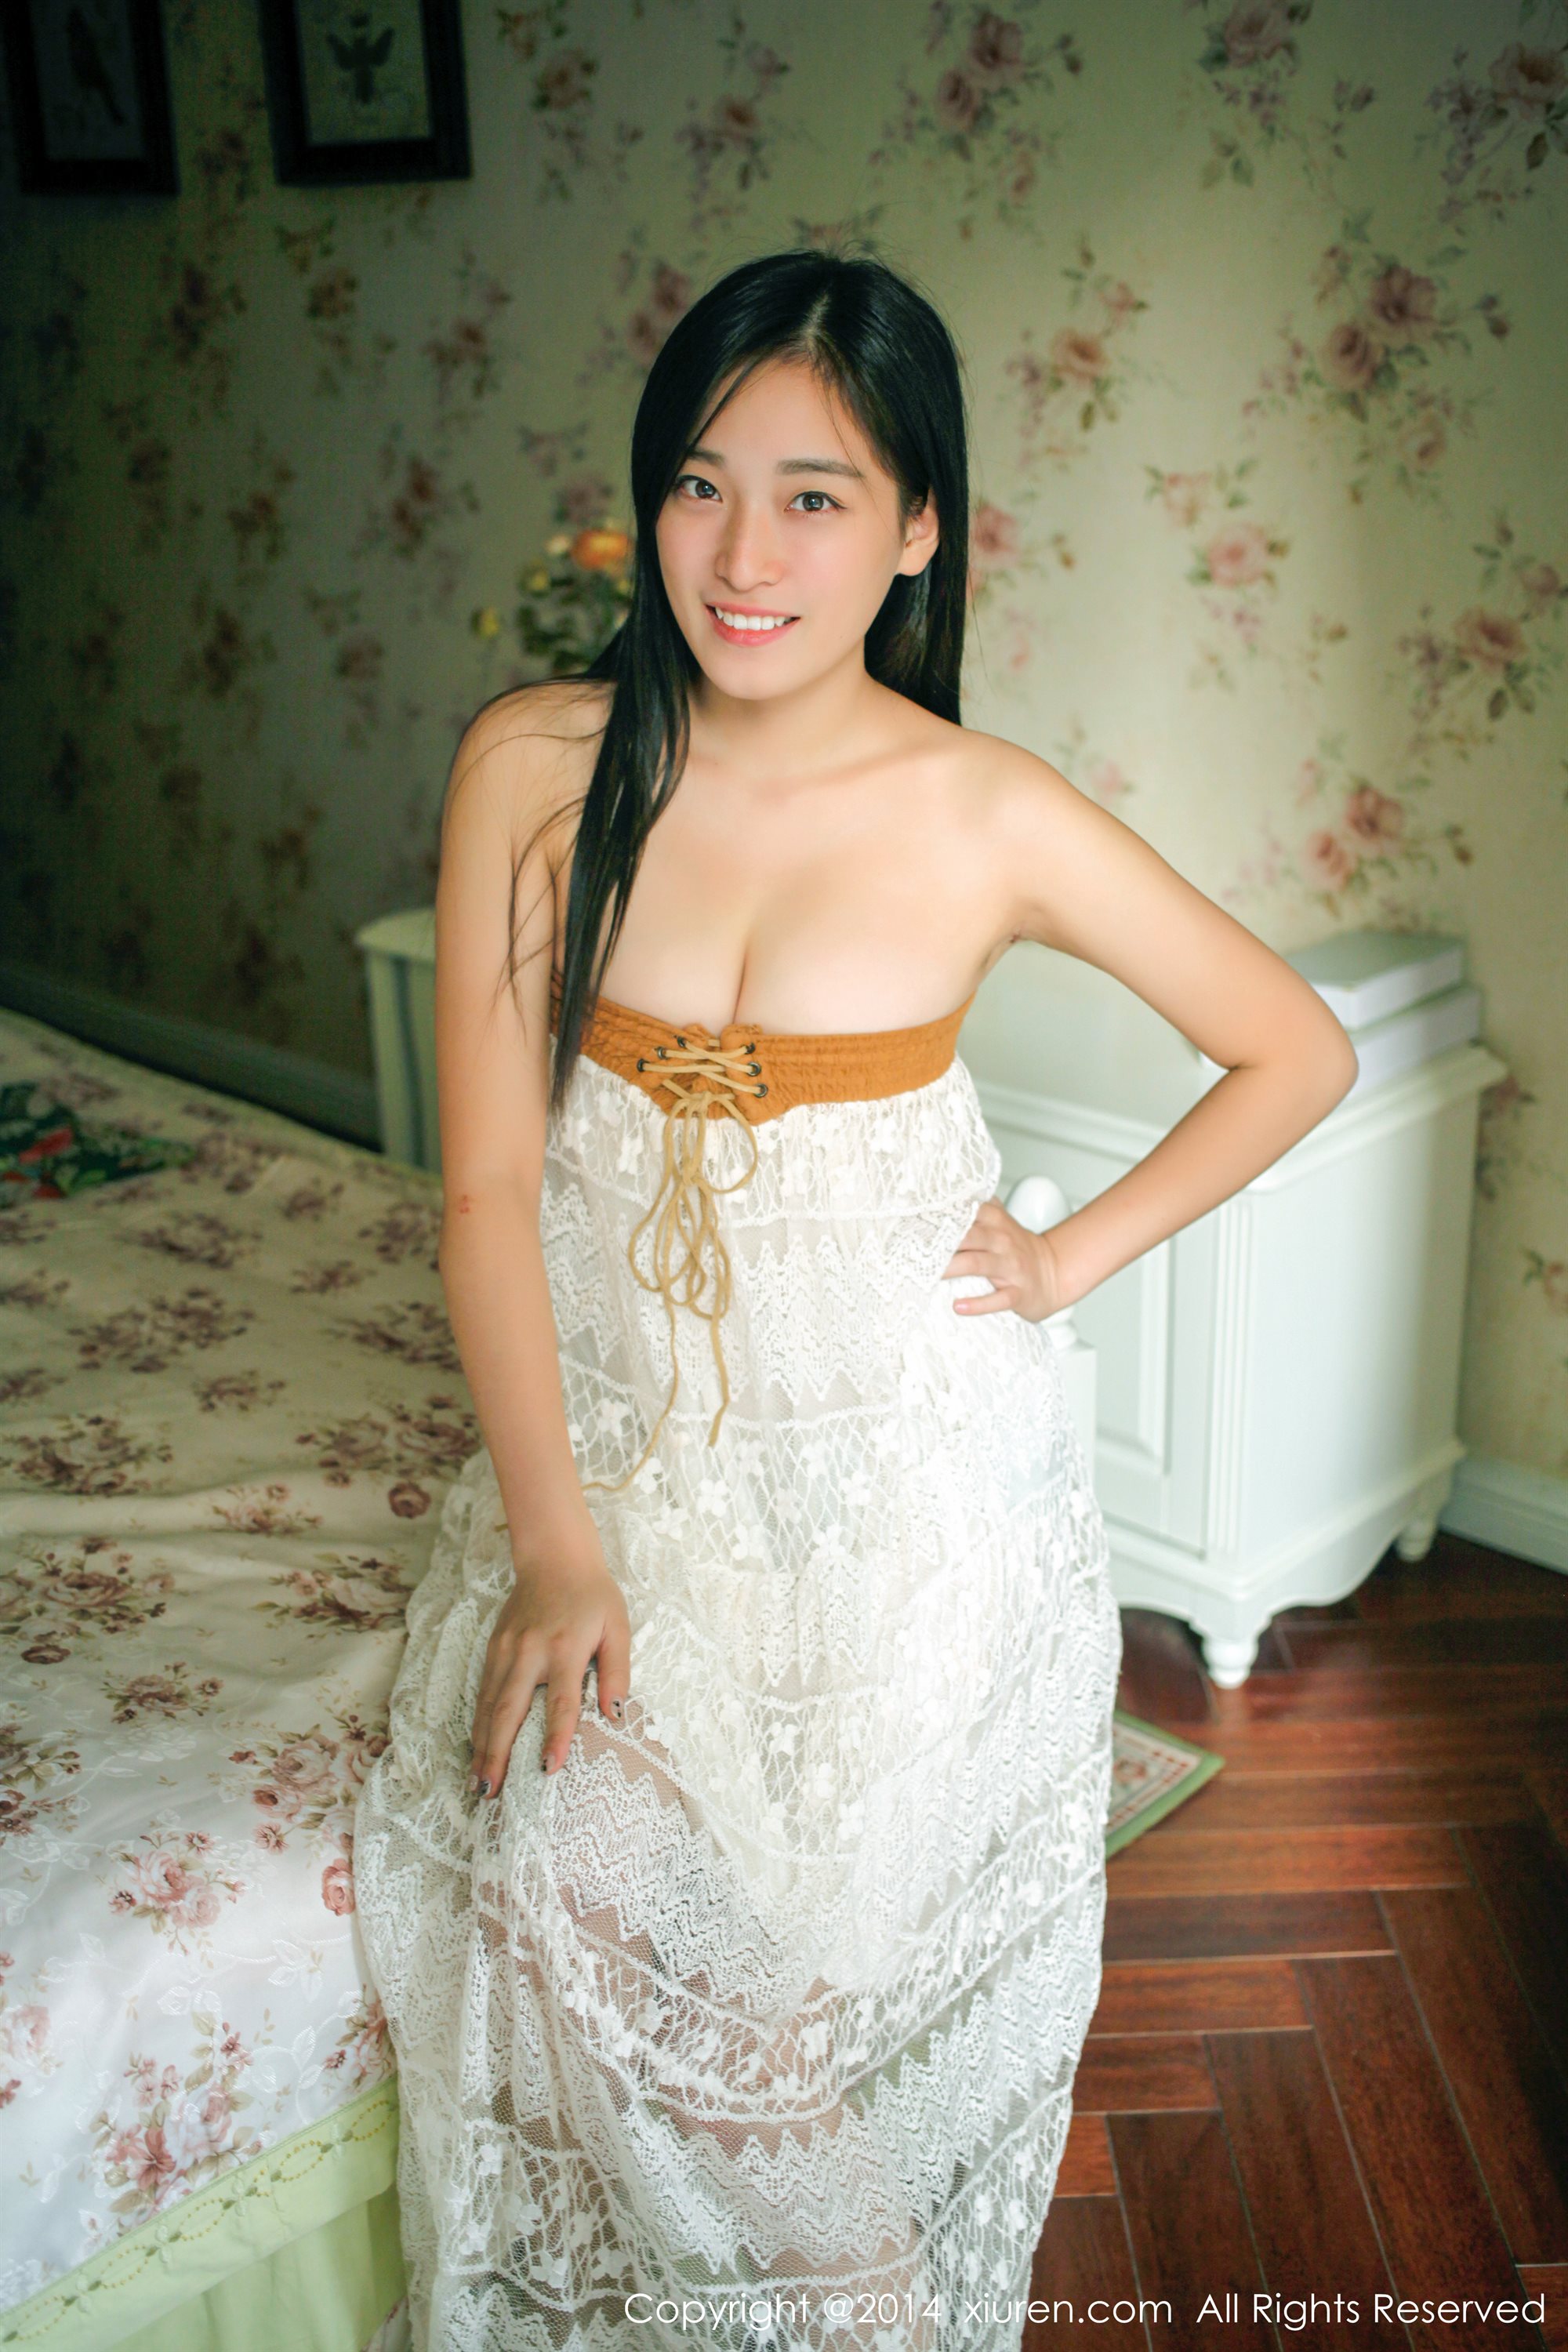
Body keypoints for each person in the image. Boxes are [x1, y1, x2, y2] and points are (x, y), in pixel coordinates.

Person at [354, 248, 1357, 2352]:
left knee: (821, 1962)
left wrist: (1066, 1260)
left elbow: (1296, 1048)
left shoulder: (984, 811)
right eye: (700, 484)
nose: (743, 556)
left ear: (916, 531)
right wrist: (555, 1545)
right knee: (576, 1867)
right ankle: (860, 2315)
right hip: (622, 1473)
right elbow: (488, 1186)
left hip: (909, 1499)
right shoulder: (536, 765)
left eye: (814, 497)